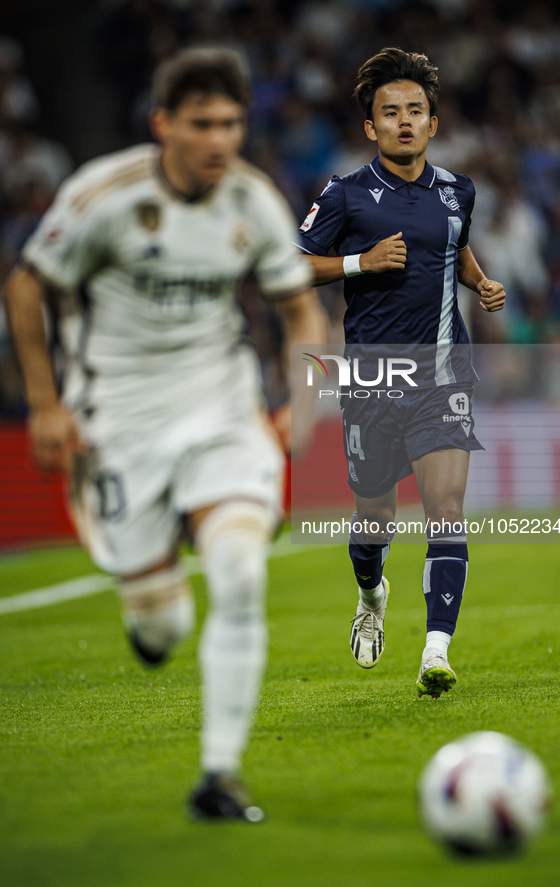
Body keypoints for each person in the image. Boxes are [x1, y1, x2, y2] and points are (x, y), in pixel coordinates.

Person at [5, 47, 326, 819]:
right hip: (119, 418)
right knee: (162, 626)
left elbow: (300, 309)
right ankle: (148, 599)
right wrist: (46, 405)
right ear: (163, 125)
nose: (220, 140)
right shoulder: (104, 195)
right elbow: (25, 286)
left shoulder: (252, 200)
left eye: (231, 124)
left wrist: (306, 399)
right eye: (202, 124)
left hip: (220, 403)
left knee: (242, 571)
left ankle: (219, 775)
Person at [296, 48, 506, 699]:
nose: (404, 121)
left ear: (433, 123)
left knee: (445, 509)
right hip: (371, 379)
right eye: (390, 112)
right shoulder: (343, 194)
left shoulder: (456, 190)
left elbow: (455, 246)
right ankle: (370, 592)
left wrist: (480, 282)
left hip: (443, 375)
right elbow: (293, 267)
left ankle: (435, 649)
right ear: (371, 126)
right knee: (373, 520)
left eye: (415, 110)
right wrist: (359, 263)